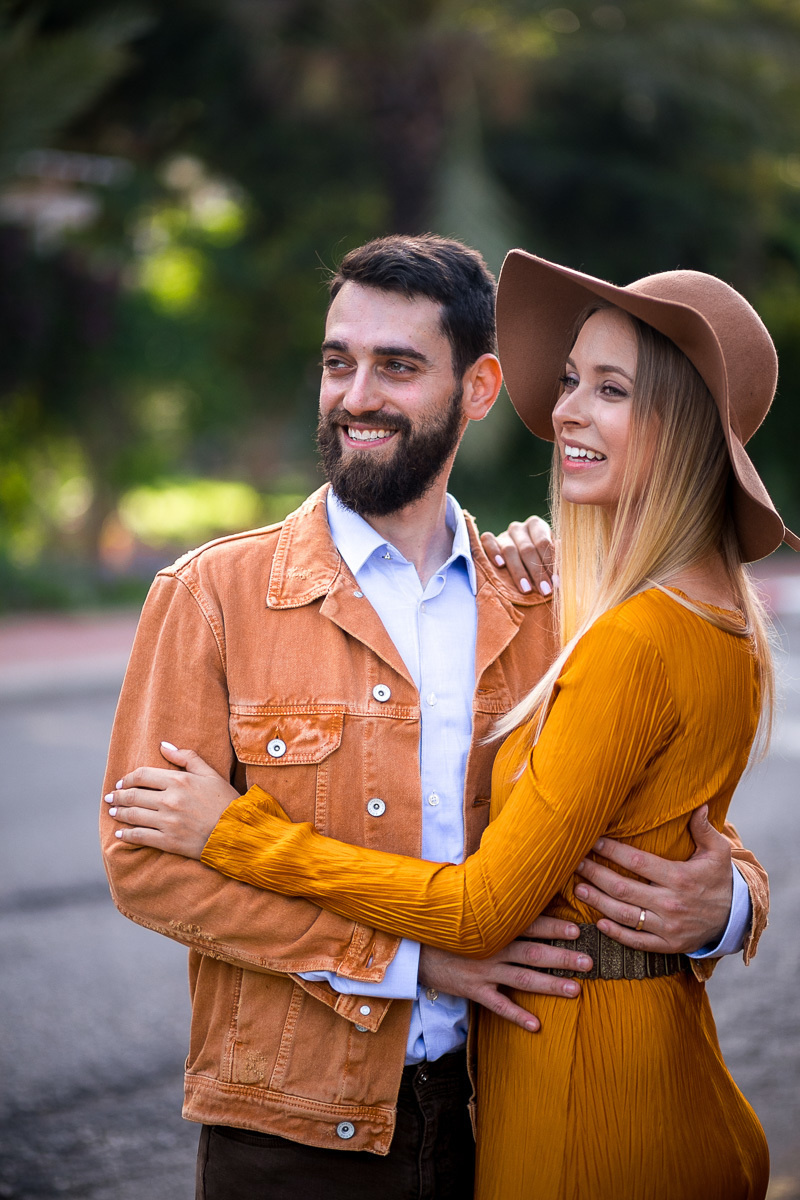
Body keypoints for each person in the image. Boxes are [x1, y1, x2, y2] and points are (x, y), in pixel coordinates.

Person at [102, 237, 769, 1200]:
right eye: (339, 362)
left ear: (481, 387)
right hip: (292, 1131)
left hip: (493, 1112)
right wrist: (416, 963)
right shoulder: (214, 595)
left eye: (399, 366)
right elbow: (145, 864)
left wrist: (729, 906)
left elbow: (660, 813)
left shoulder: (552, 604)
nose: (356, 395)